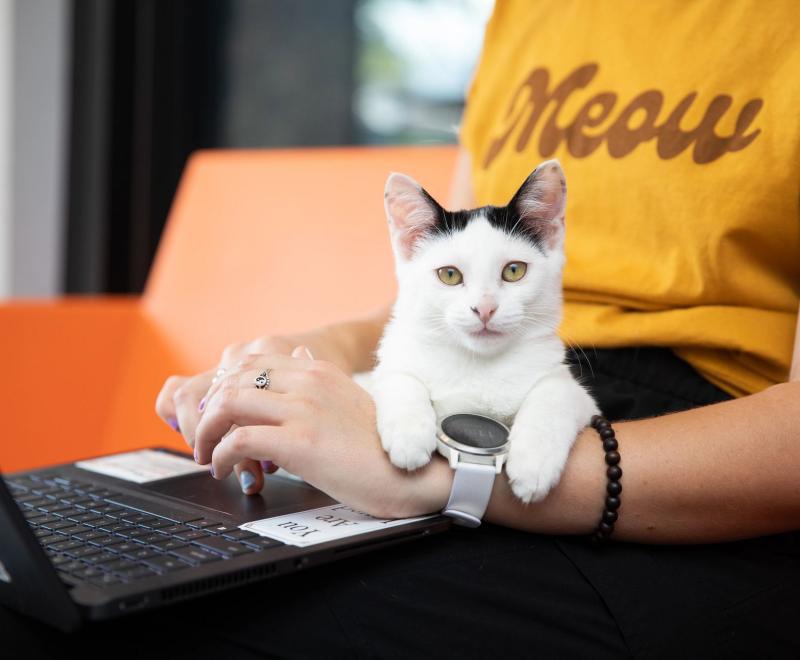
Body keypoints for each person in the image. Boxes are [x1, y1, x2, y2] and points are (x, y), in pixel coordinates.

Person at [4, 1, 797, 658]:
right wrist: (298, 362)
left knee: (175, 626)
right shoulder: (526, 14)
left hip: (690, 458)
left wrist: (446, 476)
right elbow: (440, 292)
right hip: (477, 392)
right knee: (66, 580)